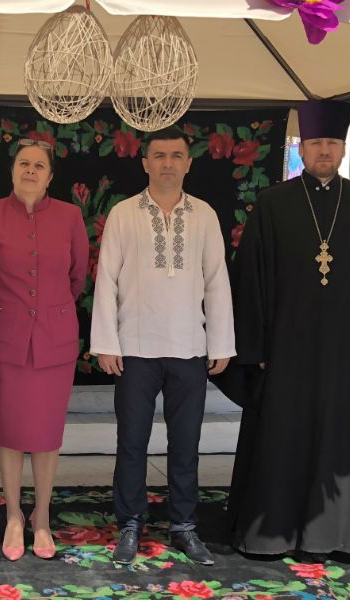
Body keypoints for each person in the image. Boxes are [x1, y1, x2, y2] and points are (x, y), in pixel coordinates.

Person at [226, 99, 350, 560]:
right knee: (281, 438)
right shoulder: (272, 204)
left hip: (349, 354)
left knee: (339, 440)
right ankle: (272, 534)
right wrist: (254, 347)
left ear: (342, 149)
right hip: (286, 350)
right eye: (315, 143)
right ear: (301, 149)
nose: (324, 151)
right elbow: (250, 281)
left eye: (332, 143)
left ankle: (336, 536)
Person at [90, 127, 235, 566]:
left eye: (175, 155)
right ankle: (131, 523)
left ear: (188, 163)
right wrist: (106, 343)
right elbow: (106, 280)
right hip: (135, 348)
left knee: (186, 443)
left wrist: (221, 342)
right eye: (159, 155)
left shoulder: (204, 215)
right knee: (132, 442)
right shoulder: (123, 213)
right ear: (145, 163)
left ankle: (184, 525)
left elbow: (217, 280)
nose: (167, 163)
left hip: (189, 346)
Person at [0, 139, 88, 560]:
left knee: (46, 434)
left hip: (55, 342)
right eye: (24, 163)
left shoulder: (71, 217)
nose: (31, 171)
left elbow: (77, 277)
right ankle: (13, 516)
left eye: (39, 165)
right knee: (9, 432)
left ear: (50, 176)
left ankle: (42, 517)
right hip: (6, 342)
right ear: (12, 170)